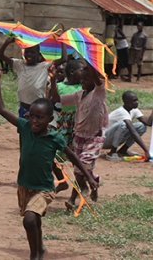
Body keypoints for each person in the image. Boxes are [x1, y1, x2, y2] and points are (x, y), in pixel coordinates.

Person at [0, 67, 98, 260]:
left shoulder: (54, 137)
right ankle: (40, 248)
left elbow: (73, 157)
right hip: (24, 186)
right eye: (31, 116)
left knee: (29, 220)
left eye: (39, 117)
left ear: (50, 119)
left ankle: (35, 255)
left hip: (43, 188)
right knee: (34, 221)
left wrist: (89, 177)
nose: (34, 120)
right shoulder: (24, 127)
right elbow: (1, 109)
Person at [49, 63, 107, 207]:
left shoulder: (99, 93)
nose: (82, 83)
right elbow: (56, 99)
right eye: (81, 80)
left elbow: (97, 78)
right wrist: (52, 80)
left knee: (83, 165)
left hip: (94, 137)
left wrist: (90, 60)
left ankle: (73, 198)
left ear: (94, 79)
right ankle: (90, 183)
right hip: (79, 136)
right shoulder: (79, 94)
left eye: (85, 80)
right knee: (79, 170)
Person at [0, 37, 66, 117]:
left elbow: (64, 58)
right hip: (23, 107)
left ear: (38, 54)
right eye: (27, 52)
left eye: (33, 52)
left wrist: (62, 41)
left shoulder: (44, 66)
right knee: (23, 128)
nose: (29, 54)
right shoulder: (19, 64)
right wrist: (6, 43)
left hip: (39, 108)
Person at [104, 91, 152, 161]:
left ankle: (123, 151)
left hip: (114, 139)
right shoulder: (122, 112)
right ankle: (112, 153)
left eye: (137, 100)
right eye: (134, 101)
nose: (137, 102)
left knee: (142, 126)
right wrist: (146, 151)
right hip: (104, 141)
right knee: (122, 124)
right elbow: (133, 131)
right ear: (126, 101)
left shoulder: (134, 110)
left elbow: (148, 123)